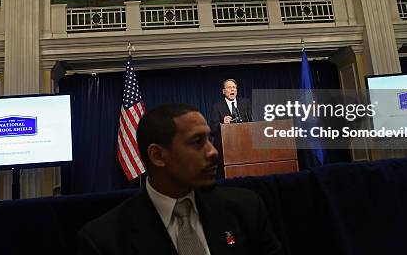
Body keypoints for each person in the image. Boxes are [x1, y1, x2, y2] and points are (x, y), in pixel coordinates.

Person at [77, 103, 283, 255]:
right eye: (197, 142)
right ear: (157, 156)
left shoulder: (245, 208)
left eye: (209, 140)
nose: (213, 152)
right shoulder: (103, 241)